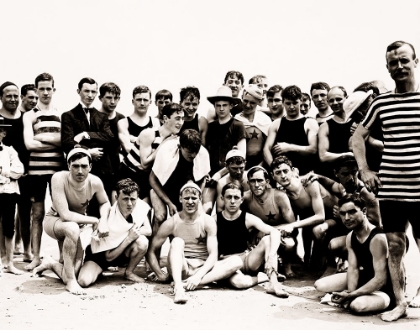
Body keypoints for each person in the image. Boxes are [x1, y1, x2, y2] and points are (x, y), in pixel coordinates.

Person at [352, 40, 420, 321]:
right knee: (394, 246)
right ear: (387, 68)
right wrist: (365, 170)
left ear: (416, 62)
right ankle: (401, 302)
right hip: (390, 185)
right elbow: (357, 137)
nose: (400, 66)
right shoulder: (381, 102)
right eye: (394, 63)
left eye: (405, 60)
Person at [33, 148, 110, 295]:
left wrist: (104, 220)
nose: (80, 171)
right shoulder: (58, 178)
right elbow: (65, 215)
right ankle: (70, 283)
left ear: (90, 167)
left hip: (76, 225)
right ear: (68, 166)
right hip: (54, 221)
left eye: (84, 166)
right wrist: (94, 220)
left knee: (73, 271)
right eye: (75, 166)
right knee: (72, 228)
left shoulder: (95, 182)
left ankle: (51, 263)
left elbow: (105, 203)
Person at [199, 182, 289, 297]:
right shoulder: (214, 220)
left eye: (236, 197)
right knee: (240, 283)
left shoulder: (247, 218)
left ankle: (273, 283)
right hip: (226, 263)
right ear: (222, 198)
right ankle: (261, 278)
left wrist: (271, 256)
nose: (232, 201)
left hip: (246, 259)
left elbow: (274, 231)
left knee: (268, 240)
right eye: (229, 197)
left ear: (241, 200)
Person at [314, 194, 393, 315]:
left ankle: (363, 298)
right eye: (342, 213)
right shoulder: (351, 236)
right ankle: (354, 295)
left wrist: (352, 295)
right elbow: (353, 268)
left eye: (352, 212)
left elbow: (380, 279)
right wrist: (349, 291)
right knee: (319, 285)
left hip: (383, 289)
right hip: (363, 278)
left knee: (357, 306)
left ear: (364, 211)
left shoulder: (377, 238)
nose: (346, 218)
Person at [147, 181, 218, 304]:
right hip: (182, 267)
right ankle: (179, 288)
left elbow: (213, 255)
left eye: (194, 198)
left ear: (200, 199)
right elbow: (151, 250)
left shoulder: (208, 221)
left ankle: (184, 283)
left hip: (201, 268)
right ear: (180, 199)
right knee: (177, 241)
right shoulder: (172, 222)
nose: (190, 202)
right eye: (186, 198)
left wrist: (198, 276)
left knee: (235, 262)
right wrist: (160, 273)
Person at [23, 73, 65, 271]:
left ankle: (63, 257)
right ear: (36, 90)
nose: (46, 92)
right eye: (42, 89)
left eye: (49, 88)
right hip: (36, 172)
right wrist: (54, 140)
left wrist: (43, 138)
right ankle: (36, 256)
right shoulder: (29, 115)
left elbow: (63, 141)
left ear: (54, 90)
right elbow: (29, 144)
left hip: (57, 171)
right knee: (37, 214)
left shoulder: (60, 114)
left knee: (59, 212)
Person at [270, 156, 340, 271]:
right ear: (273, 176)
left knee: (318, 230)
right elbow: (296, 221)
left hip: (336, 219)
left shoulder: (309, 183)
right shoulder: (283, 194)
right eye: (278, 173)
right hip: (313, 224)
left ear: (293, 171)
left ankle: (331, 264)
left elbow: (320, 216)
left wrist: (292, 225)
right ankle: (304, 259)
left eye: (285, 171)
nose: (282, 176)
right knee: (310, 267)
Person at [78, 179, 151, 286]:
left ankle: (129, 272)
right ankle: (51, 264)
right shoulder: (109, 218)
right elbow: (108, 257)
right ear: (116, 198)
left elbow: (148, 230)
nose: (130, 204)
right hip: (99, 257)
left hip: (120, 252)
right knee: (83, 281)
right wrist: (129, 238)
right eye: (125, 199)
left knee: (142, 242)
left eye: (133, 199)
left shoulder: (139, 207)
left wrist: (128, 234)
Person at [61, 77, 114, 199]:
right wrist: (87, 152)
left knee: (101, 207)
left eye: (93, 92)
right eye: (86, 91)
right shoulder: (68, 116)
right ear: (78, 91)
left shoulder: (102, 116)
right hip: (78, 170)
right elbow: (67, 142)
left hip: (102, 170)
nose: (90, 95)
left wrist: (85, 134)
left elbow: (109, 137)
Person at [119, 103, 184, 202]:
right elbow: (144, 164)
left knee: (147, 213)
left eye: (182, 119)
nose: (181, 122)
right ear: (165, 118)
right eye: (177, 118)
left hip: (146, 178)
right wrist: (162, 145)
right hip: (128, 174)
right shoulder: (149, 133)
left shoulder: (173, 139)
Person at [149, 129, 210, 234]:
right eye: (190, 152)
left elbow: (203, 179)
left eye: (196, 151)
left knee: (196, 219)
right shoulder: (166, 150)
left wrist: (195, 197)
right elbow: (152, 179)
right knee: (160, 216)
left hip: (186, 193)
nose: (193, 155)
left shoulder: (203, 153)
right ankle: (153, 249)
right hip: (161, 189)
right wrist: (168, 202)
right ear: (180, 146)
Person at [242, 166, 296, 276]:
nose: (256, 185)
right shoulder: (246, 198)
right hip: (258, 236)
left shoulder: (279, 196)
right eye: (253, 181)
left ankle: (287, 264)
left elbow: (292, 224)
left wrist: (269, 231)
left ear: (267, 181)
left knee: (290, 244)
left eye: (260, 180)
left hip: (281, 233)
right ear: (248, 183)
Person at [0, 82, 32, 264]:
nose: (13, 99)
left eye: (15, 96)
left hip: (26, 173)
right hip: (3, 177)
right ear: (1, 98)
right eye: (8, 96)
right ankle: (4, 255)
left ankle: (27, 252)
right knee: (3, 216)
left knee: (25, 213)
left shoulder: (26, 118)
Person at [264, 85, 319, 175]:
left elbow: (313, 149)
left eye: (295, 103)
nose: (292, 107)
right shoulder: (276, 124)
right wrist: (275, 170)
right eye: (288, 103)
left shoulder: (310, 123)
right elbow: (266, 150)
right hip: (281, 176)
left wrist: (289, 147)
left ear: (300, 101)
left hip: (304, 174)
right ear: (283, 103)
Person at [0, 117, 25, 275]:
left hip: (9, 193)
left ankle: (9, 263)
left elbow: (19, 170)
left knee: (9, 227)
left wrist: (3, 172)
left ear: (3, 133)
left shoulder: (9, 151)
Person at [318, 86, 353, 178]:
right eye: (331, 100)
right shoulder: (325, 127)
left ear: (346, 98)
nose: (335, 103)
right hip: (337, 176)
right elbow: (323, 156)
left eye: (338, 99)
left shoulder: (358, 122)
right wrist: (346, 155)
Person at [98, 82, 125, 199]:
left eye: (116, 98)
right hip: (98, 168)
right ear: (100, 98)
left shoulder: (121, 118)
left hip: (116, 168)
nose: (113, 101)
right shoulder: (93, 117)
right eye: (109, 98)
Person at [235, 85, 272, 168]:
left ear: (258, 102)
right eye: (245, 101)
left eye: (252, 103)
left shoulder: (264, 120)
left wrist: (260, 167)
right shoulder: (235, 120)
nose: (248, 105)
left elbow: (269, 148)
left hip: (260, 165)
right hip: (238, 166)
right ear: (241, 98)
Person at [118, 85, 160, 155]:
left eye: (145, 100)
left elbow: (157, 149)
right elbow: (128, 148)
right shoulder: (123, 123)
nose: (142, 103)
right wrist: (148, 143)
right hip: (129, 165)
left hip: (150, 165)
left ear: (150, 102)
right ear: (133, 101)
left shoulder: (155, 122)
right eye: (139, 99)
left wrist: (134, 139)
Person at [215, 147, 249, 212]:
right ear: (226, 166)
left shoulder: (251, 178)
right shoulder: (222, 183)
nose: (239, 172)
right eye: (234, 168)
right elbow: (220, 209)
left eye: (241, 168)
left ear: (245, 164)